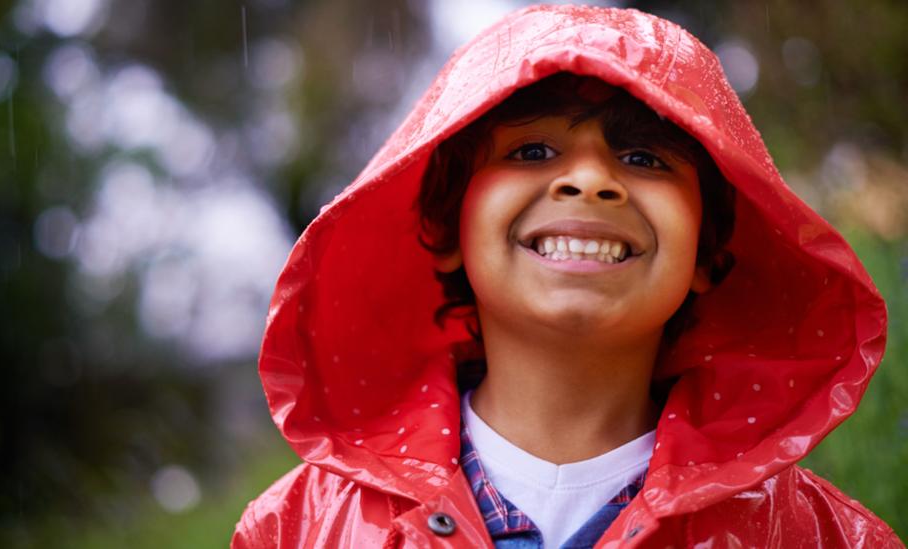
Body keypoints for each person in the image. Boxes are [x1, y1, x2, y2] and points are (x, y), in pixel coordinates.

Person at [232, 5, 900, 548]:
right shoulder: (298, 528)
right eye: (533, 150)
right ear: (445, 228)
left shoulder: (822, 536)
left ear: (706, 252)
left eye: (643, 156)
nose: (589, 180)